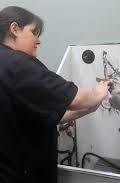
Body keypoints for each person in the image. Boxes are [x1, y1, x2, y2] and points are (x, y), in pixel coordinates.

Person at [0, 6, 110, 183]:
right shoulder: (17, 64)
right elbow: (77, 99)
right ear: (15, 29)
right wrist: (99, 92)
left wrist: (88, 109)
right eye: (34, 32)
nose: (38, 40)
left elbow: (43, 116)